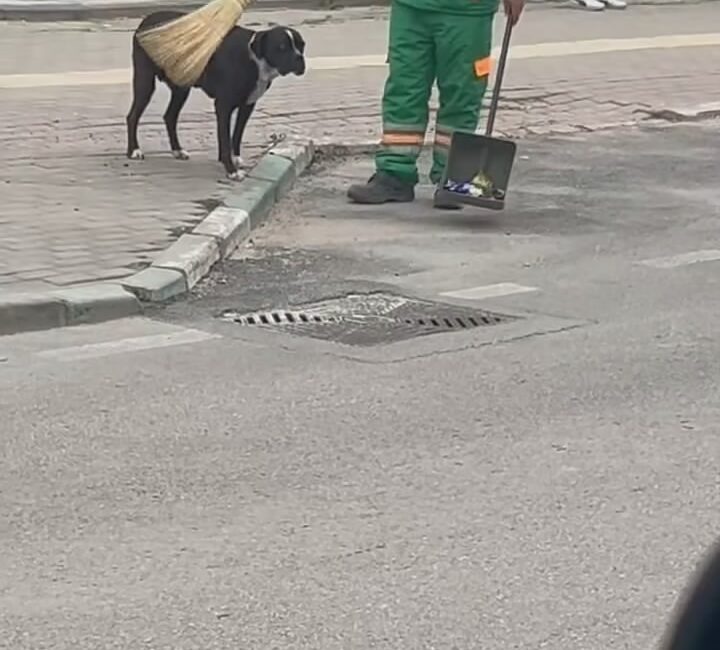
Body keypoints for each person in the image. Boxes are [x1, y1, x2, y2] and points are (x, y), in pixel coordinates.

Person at [347, 0, 525, 207]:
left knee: (461, 92)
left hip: (468, 11)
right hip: (411, 7)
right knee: (404, 87)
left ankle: (453, 176)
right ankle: (395, 173)